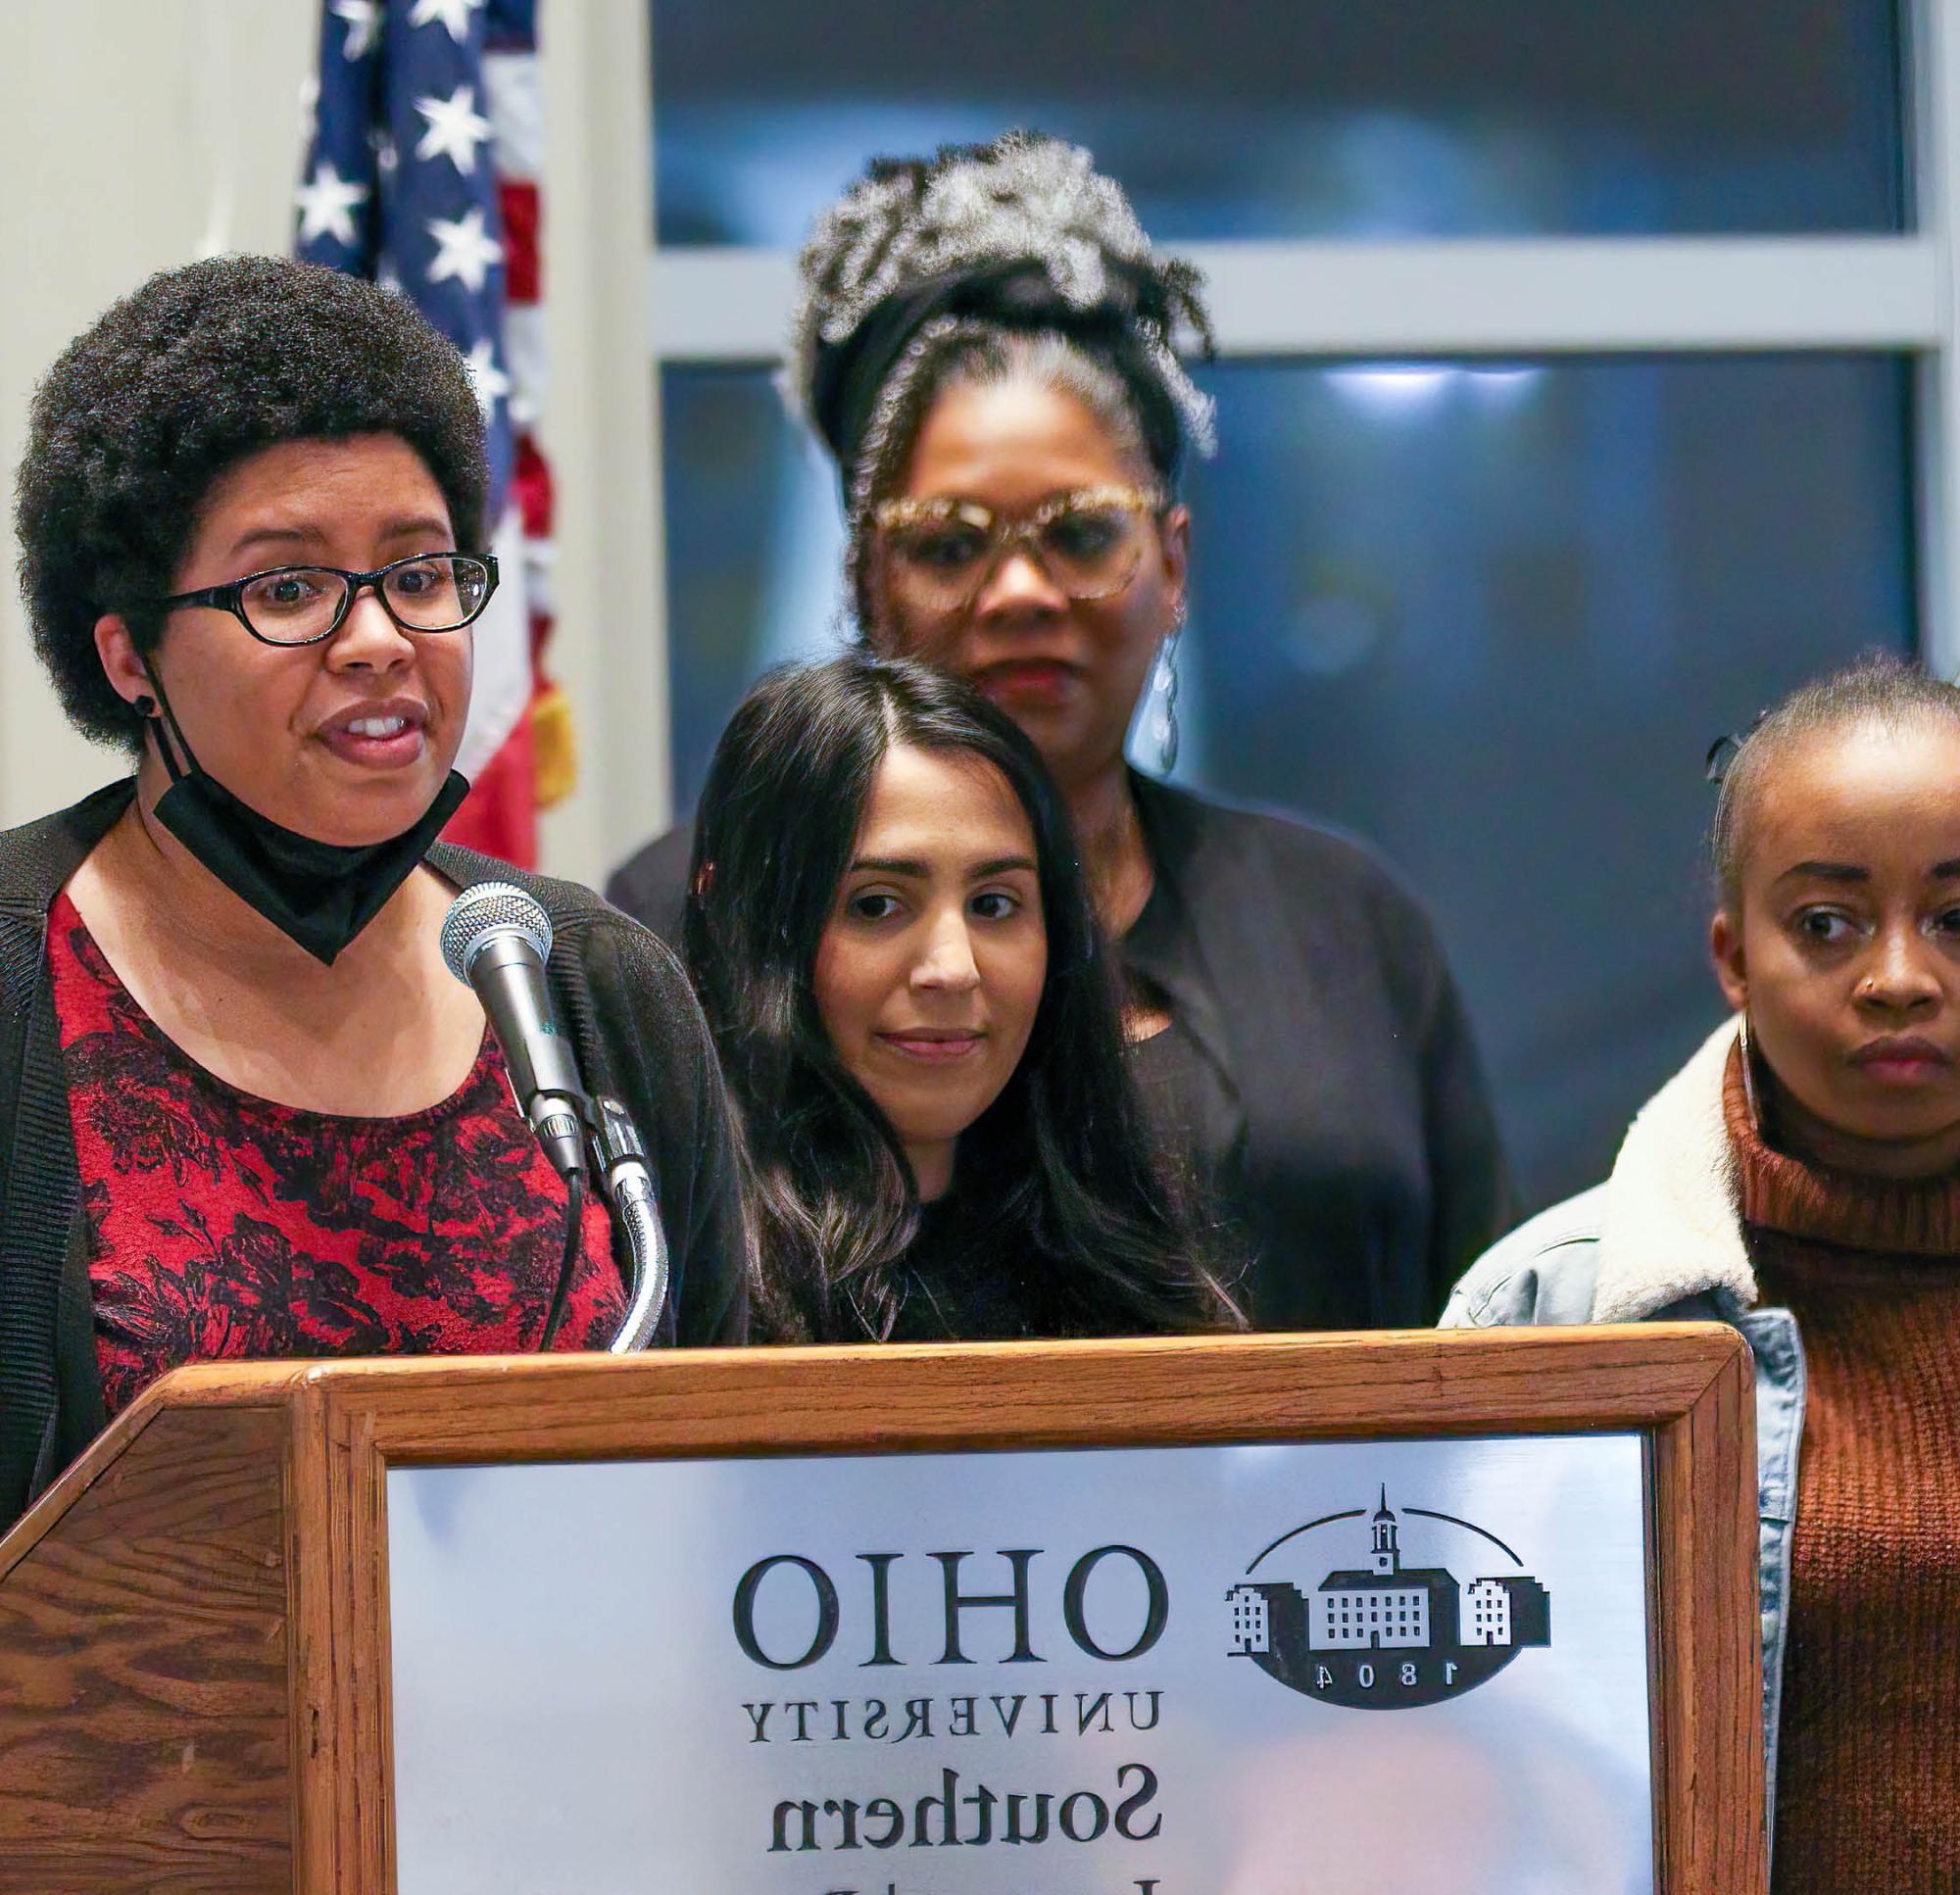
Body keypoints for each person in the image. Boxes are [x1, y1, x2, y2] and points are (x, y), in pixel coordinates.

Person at [610, 131, 1510, 1332]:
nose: (1022, 591)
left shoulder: (1339, 921)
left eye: (1081, 534)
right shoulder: (682, 915)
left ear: (1172, 564)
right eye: (949, 541)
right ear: (866, 577)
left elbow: (1501, 1337)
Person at [0, 255, 745, 1534]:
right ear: (127, 654)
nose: (379, 639)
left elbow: (726, 1480)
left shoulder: (589, 980)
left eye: (418, 572)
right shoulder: (22, 977)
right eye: (288, 587)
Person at [1443, 655, 1960, 1895]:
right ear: (1733, 956)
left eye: (1958, 918)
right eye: (1828, 925)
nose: (1900, 977)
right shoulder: (1556, 1311)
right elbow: (1472, 1783)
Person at [684, 654, 1240, 1343]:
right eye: (878, 904)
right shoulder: (660, 1284)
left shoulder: (1124, 1272)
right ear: (742, 923)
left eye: (994, 904)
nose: (952, 969)